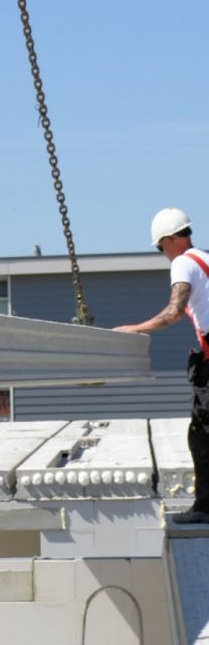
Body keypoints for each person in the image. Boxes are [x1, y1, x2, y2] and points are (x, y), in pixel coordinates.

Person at [114, 208, 209, 524]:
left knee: (202, 432)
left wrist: (135, 328)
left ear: (169, 240)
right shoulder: (205, 259)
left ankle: (205, 508)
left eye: (160, 247)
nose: (163, 254)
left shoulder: (183, 262)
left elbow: (174, 312)